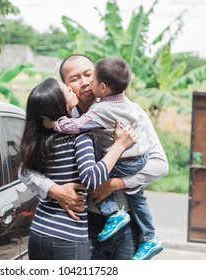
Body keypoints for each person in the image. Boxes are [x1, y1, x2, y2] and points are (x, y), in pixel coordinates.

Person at [20, 54, 169, 260]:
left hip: (126, 222)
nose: (84, 83)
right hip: (82, 224)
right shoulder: (61, 123)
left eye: (88, 74)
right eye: (74, 78)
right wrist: (54, 190)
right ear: (66, 87)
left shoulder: (131, 113)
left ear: (98, 78)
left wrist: (114, 184)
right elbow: (26, 169)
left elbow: (160, 165)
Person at [19, 77, 136, 260]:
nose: (71, 89)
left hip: (38, 232)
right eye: (66, 89)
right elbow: (91, 178)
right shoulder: (80, 135)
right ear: (58, 104)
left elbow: (25, 170)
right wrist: (119, 146)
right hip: (67, 236)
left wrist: (52, 189)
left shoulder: (40, 136)